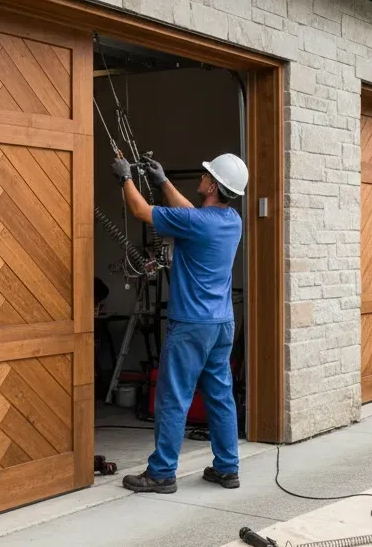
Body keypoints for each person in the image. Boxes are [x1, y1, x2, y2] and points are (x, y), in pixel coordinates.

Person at [108, 150, 249, 495]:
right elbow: (192, 215)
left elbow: (140, 211)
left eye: (206, 175)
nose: (201, 177)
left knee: (173, 397)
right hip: (221, 324)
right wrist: (163, 182)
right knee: (220, 396)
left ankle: (161, 473)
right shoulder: (231, 220)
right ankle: (227, 468)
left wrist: (125, 177)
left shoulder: (197, 223)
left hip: (190, 325)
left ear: (212, 186)